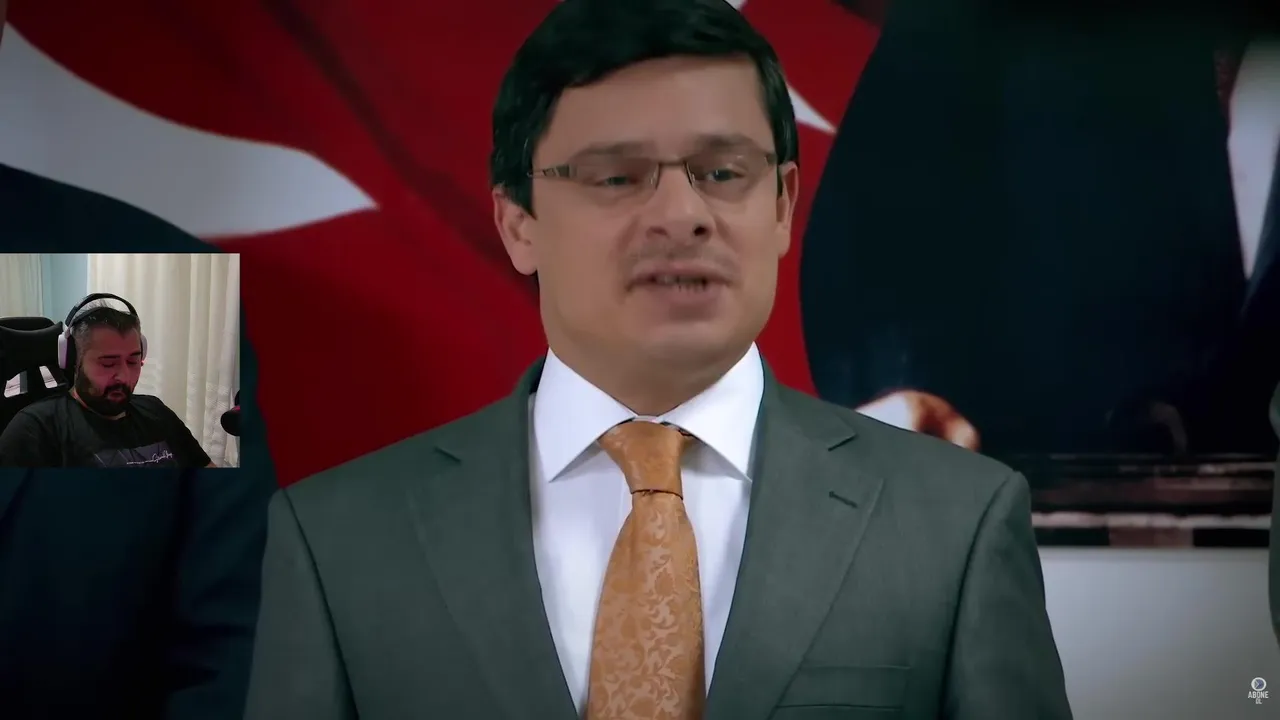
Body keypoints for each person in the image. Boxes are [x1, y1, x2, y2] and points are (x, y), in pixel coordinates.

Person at [244, 0, 1072, 718]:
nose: (682, 214)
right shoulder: (339, 542)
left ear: (782, 205)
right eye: (616, 177)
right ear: (519, 224)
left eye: (723, 172)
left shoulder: (957, 523)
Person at [0, 296, 213, 468]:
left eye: (133, 361)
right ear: (73, 360)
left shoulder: (157, 412)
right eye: (108, 364)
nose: (124, 376)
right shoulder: (35, 430)